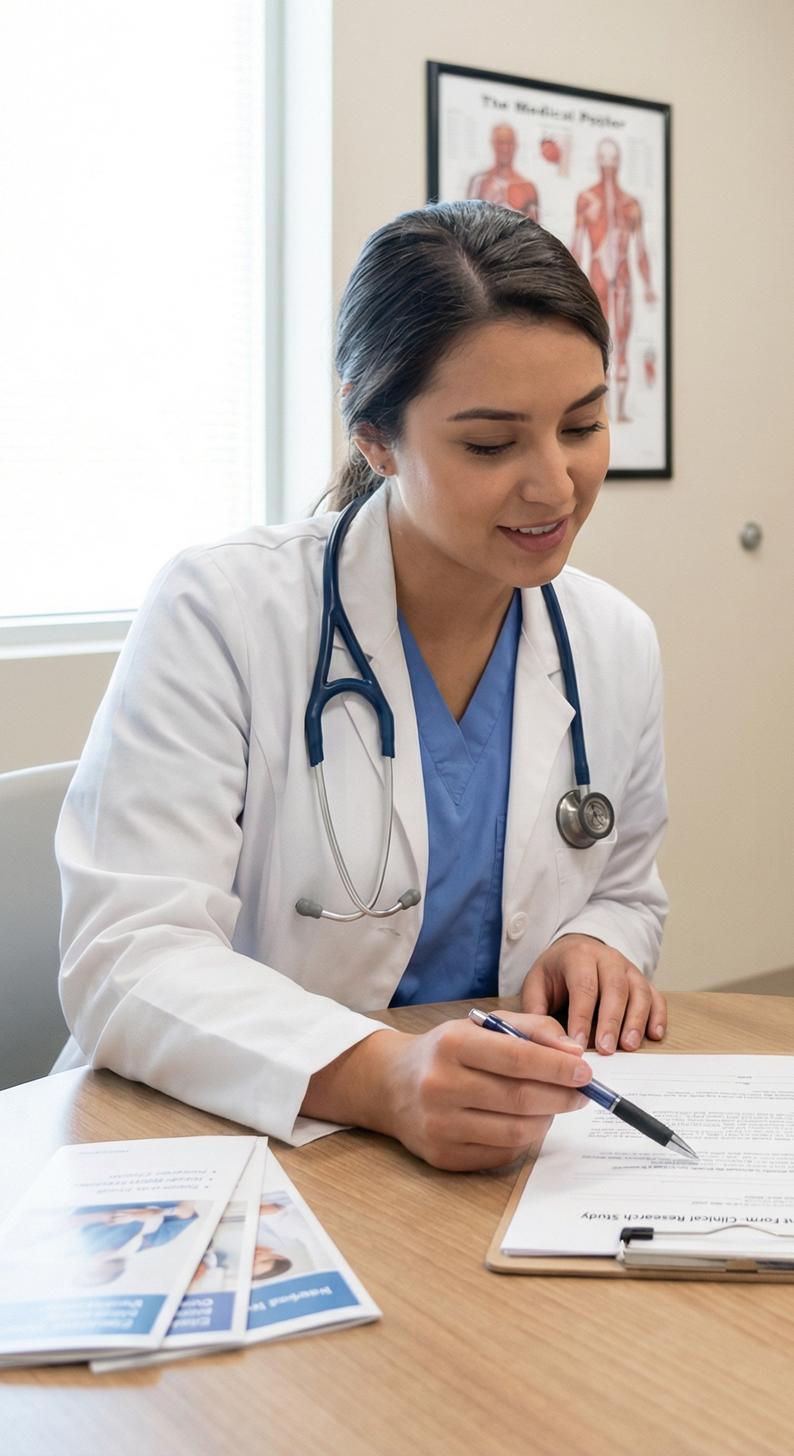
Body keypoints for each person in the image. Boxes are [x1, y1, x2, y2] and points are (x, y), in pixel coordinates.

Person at [58, 202, 669, 1171]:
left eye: (583, 424)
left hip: (488, 1149)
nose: (556, 485)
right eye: (490, 444)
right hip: (231, 1134)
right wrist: (383, 1076)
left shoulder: (612, 640)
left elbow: (627, 886)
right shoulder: (224, 610)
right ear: (376, 436)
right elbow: (127, 957)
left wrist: (598, 941)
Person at [569, 138, 656, 424]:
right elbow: (576, 247)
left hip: (621, 279)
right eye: (604, 162)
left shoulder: (630, 205)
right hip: (596, 281)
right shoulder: (587, 200)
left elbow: (640, 250)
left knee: (621, 346)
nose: (607, 168)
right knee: (599, 348)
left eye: (611, 162)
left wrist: (649, 287)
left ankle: (616, 413)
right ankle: (600, 417)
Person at [466, 123, 540, 220]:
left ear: (515, 145)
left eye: (509, 143)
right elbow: (467, 223)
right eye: (500, 143)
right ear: (493, 143)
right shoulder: (479, 181)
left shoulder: (528, 187)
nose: (505, 148)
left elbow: (536, 231)